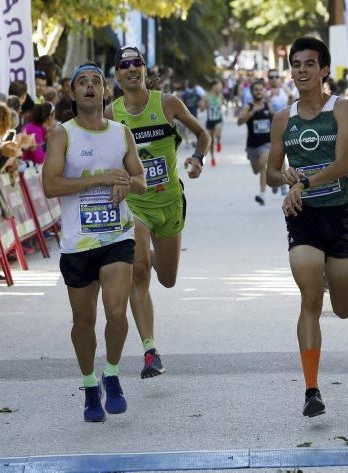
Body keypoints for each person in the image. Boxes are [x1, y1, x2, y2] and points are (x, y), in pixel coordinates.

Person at [42, 62, 146, 422]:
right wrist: (100, 179)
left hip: (118, 234)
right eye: (82, 82)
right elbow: (50, 185)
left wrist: (126, 183)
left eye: (96, 82)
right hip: (78, 242)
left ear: (105, 92)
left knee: (117, 312)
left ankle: (112, 374)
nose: (89, 87)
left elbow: (141, 180)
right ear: (73, 93)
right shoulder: (62, 134)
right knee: (83, 321)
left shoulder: (121, 133)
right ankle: (89, 384)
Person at [266, 37, 348, 417]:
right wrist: (284, 176)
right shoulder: (281, 118)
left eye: (309, 64)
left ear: (324, 71)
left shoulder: (342, 109)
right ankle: (311, 389)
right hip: (303, 218)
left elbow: (343, 166)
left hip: (339, 216)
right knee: (310, 297)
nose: (301, 70)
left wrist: (302, 182)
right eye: (296, 64)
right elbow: (271, 172)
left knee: (342, 308)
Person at [105, 46, 209, 379]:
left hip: (170, 202)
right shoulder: (111, 114)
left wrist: (197, 159)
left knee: (166, 278)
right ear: (117, 74)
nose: (131, 67)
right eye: (124, 64)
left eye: (137, 62)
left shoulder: (167, 103)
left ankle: (147, 250)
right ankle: (150, 350)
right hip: (135, 203)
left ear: (145, 69)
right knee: (138, 272)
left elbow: (202, 134)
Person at [238, 80, 272, 205]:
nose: (258, 92)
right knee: (256, 170)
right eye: (256, 90)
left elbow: (277, 120)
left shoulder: (269, 106)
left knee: (263, 165)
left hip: (267, 144)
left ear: (264, 91)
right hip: (252, 145)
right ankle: (268, 183)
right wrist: (251, 113)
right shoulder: (248, 106)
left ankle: (262, 195)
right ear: (252, 92)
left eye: (260, 89)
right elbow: (239, 122)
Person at [200, 79, 224, 166]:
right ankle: (213, 158)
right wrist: (205, 105)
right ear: (213, 86)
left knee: (218, 128)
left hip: (218, 119)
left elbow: (223, 103)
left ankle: (219, 142)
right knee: (210, 141)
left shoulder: (220, 95)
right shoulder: (206, 96)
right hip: (210, 120)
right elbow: (201, 109)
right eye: (219, 85)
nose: (220, 87)